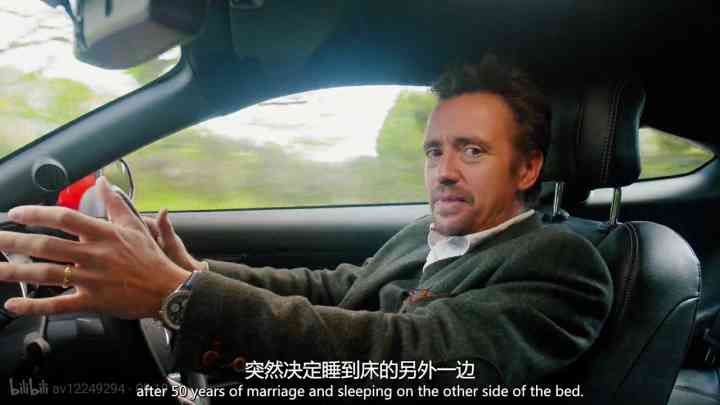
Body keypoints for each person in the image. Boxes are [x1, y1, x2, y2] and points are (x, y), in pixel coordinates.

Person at [0, 55, 612, 388]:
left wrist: (179, 295)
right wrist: (194, 272)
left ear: (527, 167)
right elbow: (333, 289)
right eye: (434, 151)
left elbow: (420, 359)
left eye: (471, 151)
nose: (444, 171)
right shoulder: (429, 235)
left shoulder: (563, 263)